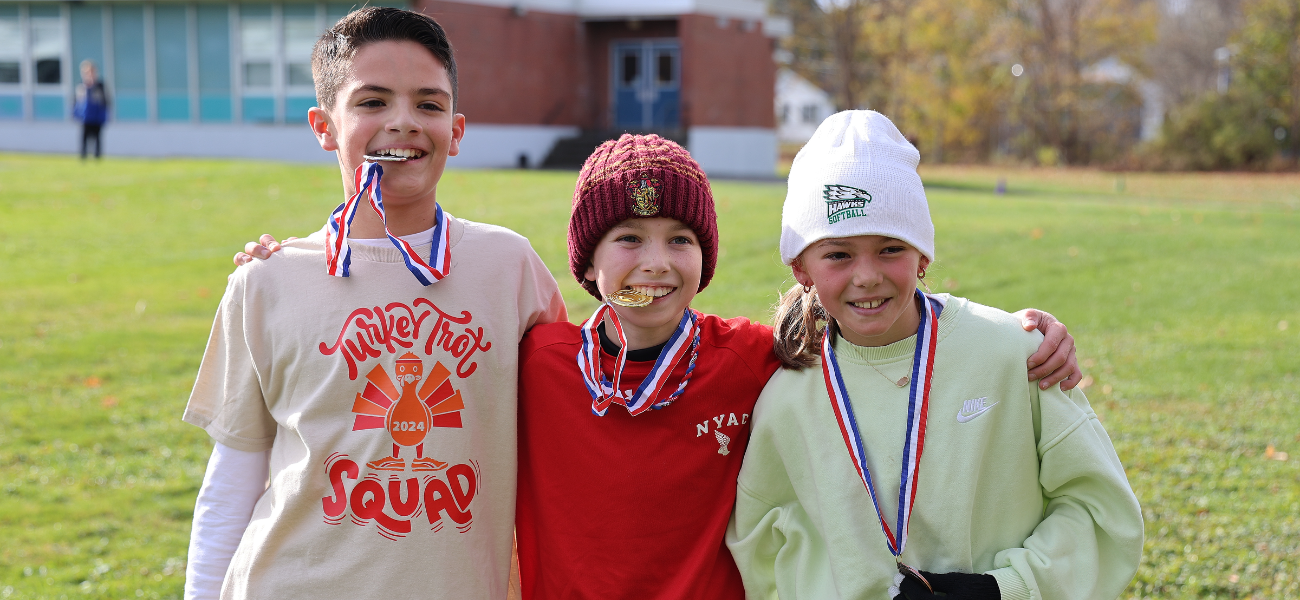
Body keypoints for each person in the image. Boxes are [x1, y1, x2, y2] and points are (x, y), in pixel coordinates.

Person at [511, 134, 1084, 599]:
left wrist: (1023, 331)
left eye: (680, 240)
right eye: (629, 239)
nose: (656, 264)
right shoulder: (535, 364)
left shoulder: (752, 359)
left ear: (704, 257)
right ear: (588, 257)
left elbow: (874, 332)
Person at [182, 8, 565, 599]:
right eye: (372, 102)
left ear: (457, 131)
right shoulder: (265, 282)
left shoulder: (511, 269)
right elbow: (231, 483)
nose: (404, 123)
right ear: (323, 126)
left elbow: (574, 439)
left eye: (429, 105)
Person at [726, 110, 1144, 600]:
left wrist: (1006, 589)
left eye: (890, 249)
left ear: (923, 255)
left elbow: (1101, 511)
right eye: (839, 254)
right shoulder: (786, 400)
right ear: (801, 267)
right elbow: (762, 560)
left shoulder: (1018, 355)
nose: (866, 276)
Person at [73, 60, 109, 160]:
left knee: (97, 138)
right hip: (85, 116)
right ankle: (83, 156)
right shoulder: (81, 86)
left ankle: (97, 156)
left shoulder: (99, 86)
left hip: (97, 117)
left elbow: (105, 101)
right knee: (84, 138)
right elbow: (76, 101)